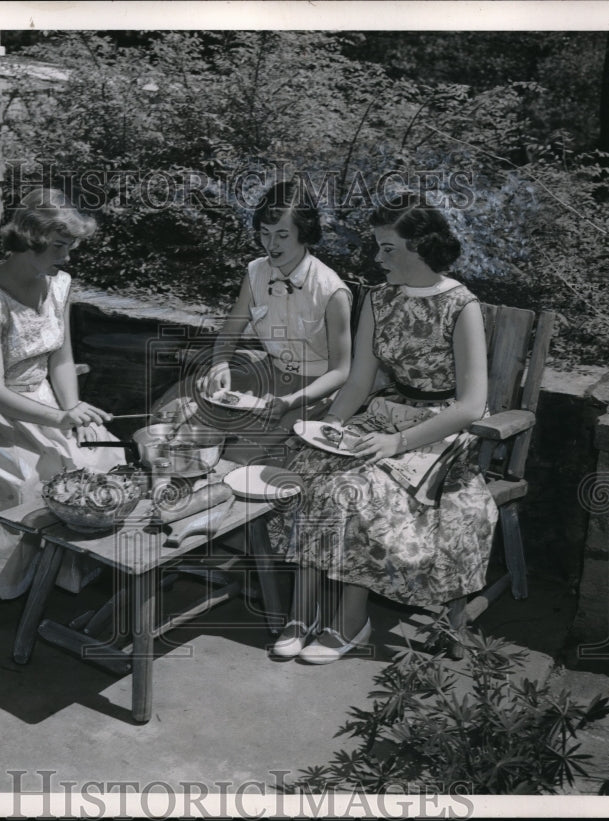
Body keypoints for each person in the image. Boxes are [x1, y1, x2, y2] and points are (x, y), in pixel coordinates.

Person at [272, 196, 499, 664]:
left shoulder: (462, 306)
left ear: (421, 247)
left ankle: (351, 623)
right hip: (385, 415)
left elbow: (472, 404)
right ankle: (302, 613)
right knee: (309, 468)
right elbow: (358, 381)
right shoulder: (379, 298)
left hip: (439, 431)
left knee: (357, 489)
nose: (377, 258)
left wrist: (397, 442)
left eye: (387, 248)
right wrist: (331, 425)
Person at [0, 188, 124, 599]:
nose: (68, 257)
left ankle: (73, 566)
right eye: (60, 246)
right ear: (29, 241)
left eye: (70, 247)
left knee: (104, 452)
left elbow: (61, 360)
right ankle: (29, 574)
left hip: (45, 399)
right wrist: (59, 418)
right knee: (34, 481)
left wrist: (72, 405)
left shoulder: (58, 285)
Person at [158, 179, 353, 450]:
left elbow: (341, 372)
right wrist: (220, 364)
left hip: (312, 391)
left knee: (245, 452)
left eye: (282, 235)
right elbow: (230, 331)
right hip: (267, 375)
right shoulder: (256, 272)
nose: (271, 244)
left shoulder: (332, 291)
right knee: (178, 411)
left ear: (304, 233)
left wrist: (290, 402)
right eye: (265, 233)